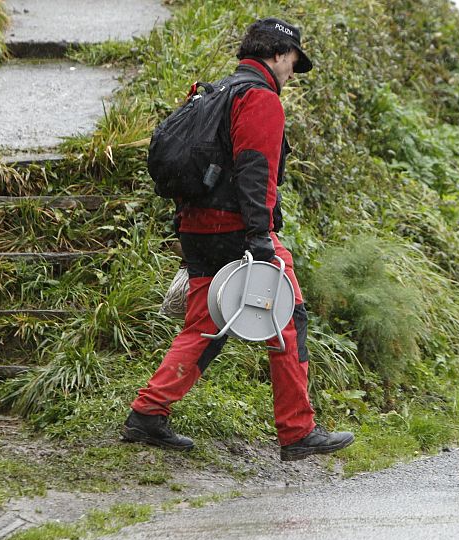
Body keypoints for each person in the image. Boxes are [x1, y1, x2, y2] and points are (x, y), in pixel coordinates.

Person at [123, 17, 354, 462]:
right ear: (279, 54)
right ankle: (297, 431)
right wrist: (260, 239)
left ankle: (148, 413)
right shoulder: (260, 99)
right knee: (288, 316)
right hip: (238, 230)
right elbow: (255, 171)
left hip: (197, 226)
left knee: (207, 324)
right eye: (292, 62)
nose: (291, 72)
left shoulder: (215, 92)